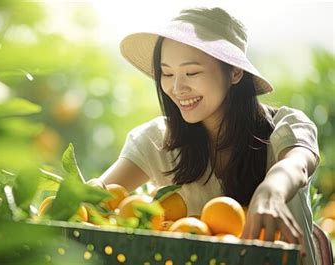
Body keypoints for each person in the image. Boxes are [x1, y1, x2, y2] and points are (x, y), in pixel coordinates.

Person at [87, 7, 320, 265]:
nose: (177, 88)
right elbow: (95, 202)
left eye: (192, 72)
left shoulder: (286, 125)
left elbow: (296, 164)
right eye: (167, 73)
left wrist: (272, 190)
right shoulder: (157, 140)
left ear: (234, 72)